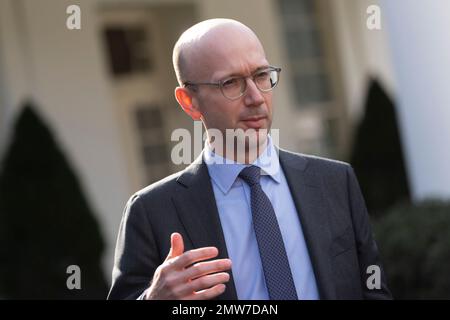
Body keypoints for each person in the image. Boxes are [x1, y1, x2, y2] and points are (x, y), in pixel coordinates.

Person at [107, 18, 391, 300]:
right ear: (189, 102)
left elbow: (374, 291)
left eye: (261, 75)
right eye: (230, 83)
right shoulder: (151, 212)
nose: (255, 97)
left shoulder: (335, 182)